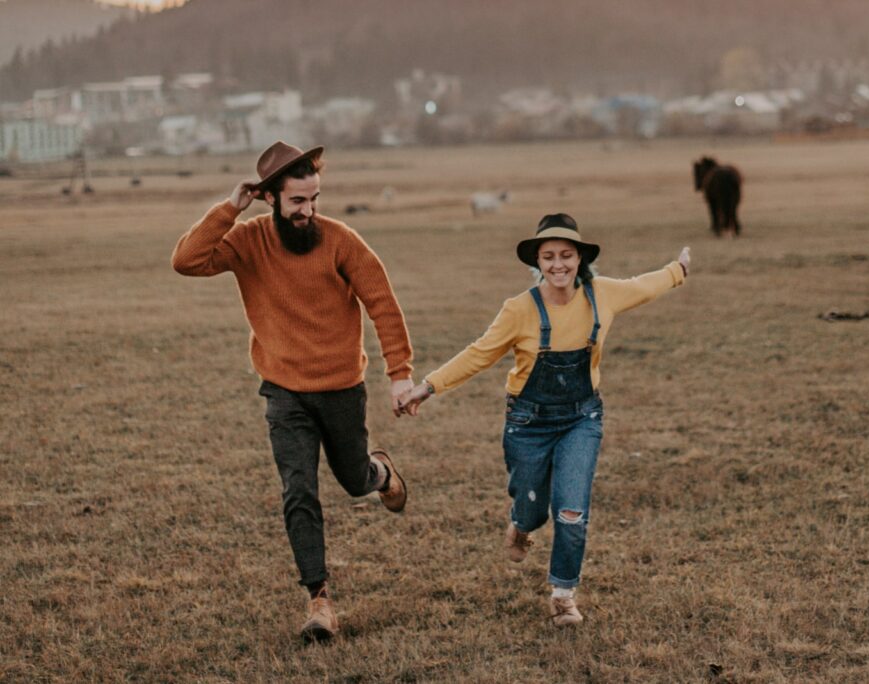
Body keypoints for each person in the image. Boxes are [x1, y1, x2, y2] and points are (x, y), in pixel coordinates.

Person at [171, 141, 414, 642]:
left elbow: (383, 304)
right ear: (270, 199)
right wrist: (229, 208)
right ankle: (319, 600)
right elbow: (186, 261)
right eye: (298, 202)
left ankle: (381, 472)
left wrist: (400, 374)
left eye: (314, 199)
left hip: (342, 387)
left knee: (352, 479)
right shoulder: (246, 241)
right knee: (298, 488)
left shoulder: (342, 240)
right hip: (283, 390)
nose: (309, 211)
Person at [399, 213, 690, 626]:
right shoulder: (519, 309)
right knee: (534, 509)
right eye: (549, 257)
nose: (558, 265)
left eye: (566, 256)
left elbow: (644, 286)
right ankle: (521, 524)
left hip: (581, 419)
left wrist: (677, 270)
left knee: (571, 511)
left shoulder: (601, 295)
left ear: (579, 259)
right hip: (528, 423)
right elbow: (479, 354)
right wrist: (427, 387)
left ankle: (563, 594)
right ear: (538, 261)